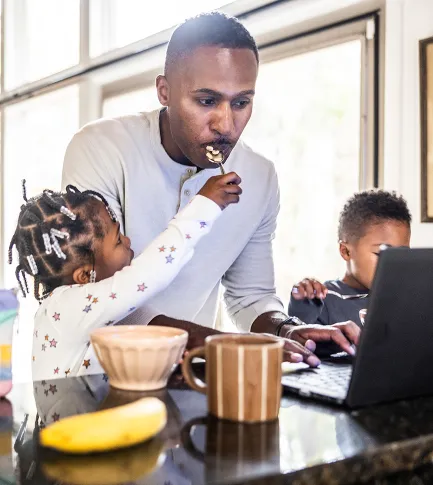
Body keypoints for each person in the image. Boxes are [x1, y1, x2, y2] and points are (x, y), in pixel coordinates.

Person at [62, 12, 359, 365]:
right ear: (164, 91)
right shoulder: (99, 147)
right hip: (89, 379)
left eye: (241, 102)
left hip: (190, 381)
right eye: (206, 101)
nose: (226, 124)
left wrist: (287, 329)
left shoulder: (261, 177)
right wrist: (223, 343)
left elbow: (250, 296)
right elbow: (95, 294)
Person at [9, 175, 241, 380]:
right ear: (84, 275)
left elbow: (147, 325)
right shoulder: (69, 306)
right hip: (73, 430)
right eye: (118, 240)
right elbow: (150, 274)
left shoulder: (90, 308)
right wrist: (204, 206)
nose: (128, 241)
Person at [288, 190, 412, 328]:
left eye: (400, 254)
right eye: (381, 253)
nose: (392, 263)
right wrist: (302, 302)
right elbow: (298, 336)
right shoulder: (323, 300)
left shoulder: (407, 299)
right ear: (346, 251)